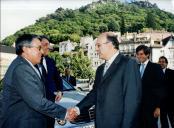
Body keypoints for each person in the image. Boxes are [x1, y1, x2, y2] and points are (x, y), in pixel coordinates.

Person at [68, 32, 142, 128]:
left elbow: (132, 102)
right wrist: (77, 109)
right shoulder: (100, 69)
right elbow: (95, 93)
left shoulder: (128, 64)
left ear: (110, 45)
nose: (96, 49)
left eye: (98, 45)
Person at [0, 34, 73, 128]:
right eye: (39, 48)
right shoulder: (22, 68)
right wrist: (65, 113)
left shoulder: (28, 66)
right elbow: (37, 101)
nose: (41, 51)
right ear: (25, 49)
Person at [37, 35, 63, 128]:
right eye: (46, 44)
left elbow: (57, 78)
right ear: (38, 45)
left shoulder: (50, 61)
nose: (48, 47)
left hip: (51, 103)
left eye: (49, 44)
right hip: (37, 105)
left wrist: (60, 91)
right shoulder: (32, 62)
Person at [136, 45, 164, 128]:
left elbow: (161, 88)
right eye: (137, 54)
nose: (139, 56)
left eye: (141, 54)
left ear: (147, 54)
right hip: (138, 107)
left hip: (151, 107)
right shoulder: (135, 67)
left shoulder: (156, 67)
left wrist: (159, 107)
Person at [158, 56, 174, 128]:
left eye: (163, 62)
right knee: (163, 121)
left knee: (173, 120)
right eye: (160, 61)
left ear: (166, 63)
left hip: (171, 102)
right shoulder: (155, 74)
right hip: (161, 102)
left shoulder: (172, 73)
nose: (161, 63)